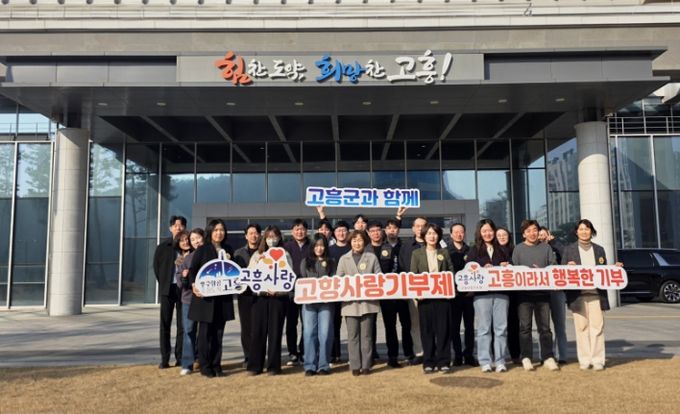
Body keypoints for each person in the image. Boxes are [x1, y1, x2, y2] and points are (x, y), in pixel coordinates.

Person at [562, 219, 621, 371]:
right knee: (581, 328)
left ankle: (598, 359)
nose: (584, 232)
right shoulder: (569, 250)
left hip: (596, 295)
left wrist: (614, 269)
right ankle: (584, 359)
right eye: (581, 229)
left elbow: (604, 271)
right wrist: (568, 268)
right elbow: (562, 273)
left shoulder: (599, 250)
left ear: (591, 231)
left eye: (587, 229)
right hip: (578, 296)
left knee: (597, 327)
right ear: (576, 232)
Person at [188, 219, 235, 378]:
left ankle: (216, 365)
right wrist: (194, 285)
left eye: (221, 230)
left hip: (222, 299)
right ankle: (205, 365)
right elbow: (193, 270)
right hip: (206, 300)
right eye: (215, 230)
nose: (219, 233)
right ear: (210, 232)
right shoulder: (203, 249)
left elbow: (234, 272)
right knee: (205, 334)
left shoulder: (228, 249)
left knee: (218, 334)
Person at [512, 219, 560, 372]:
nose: (532, 233)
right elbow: (514, 270)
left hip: (543, 294)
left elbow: (554, 266)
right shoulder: (518, 249)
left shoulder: (546, 248)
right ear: (523, 234)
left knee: (545, 328)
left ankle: (548, 357)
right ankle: (526, 357)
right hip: (524, 295)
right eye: (528, 231)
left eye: (534, 230)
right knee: (525, 328)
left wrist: (542, 271)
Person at [247, 225, 294, 376]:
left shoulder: (285, 254)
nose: (271, 240)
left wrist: (279, 290)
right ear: (264, 238)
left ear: (279, 238)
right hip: (260, 298)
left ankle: (274, 366)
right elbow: (250, 275)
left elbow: (289, 277)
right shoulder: (257, 254)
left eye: (274, 237)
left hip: (278, 299)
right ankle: (255, 366)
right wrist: (258, 263)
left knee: (275, 332)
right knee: (257, 332)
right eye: (268, 237)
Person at [466, 219, 511, 373]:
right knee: (484, 328)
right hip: (482, 294)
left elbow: (511, 266)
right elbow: (469, 269)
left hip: (501, 293)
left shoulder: (502, 249)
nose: (487, 233)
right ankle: (485, 361)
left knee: (501, 328)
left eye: (490, 230)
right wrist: (480, 268)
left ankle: (500, 361)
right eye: (484, 231)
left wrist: (506, 265)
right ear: (479, 232)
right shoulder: (474, 250)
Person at [336, 230, 382, 376]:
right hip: (350, 304)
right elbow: (338, 279)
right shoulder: (344, 259)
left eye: (360, 240)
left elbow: (379, 277)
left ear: (365, 242)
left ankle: (367, 365)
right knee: (352, 336)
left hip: (368, 303)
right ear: (350, 242)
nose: (357, 243)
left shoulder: (372, 257)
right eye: (354, 240)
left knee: (367, 336)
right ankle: (355, 365)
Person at [410, 223, 454, 374]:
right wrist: (417, 295)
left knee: (443, 330)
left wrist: (449, 288)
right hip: (425, 299)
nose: (432, 236)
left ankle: (444, 361)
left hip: (442, 297)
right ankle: (428, 362)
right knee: (427, 331)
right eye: (429, 233)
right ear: (423, 236)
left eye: (434, 233)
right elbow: (413, 275)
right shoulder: (417, 253)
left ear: (439, 236)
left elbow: (451, 272)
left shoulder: (444, 252)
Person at [153, 215, 186, 369]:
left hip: (183, 289)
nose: (178, 228)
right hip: (167, 289)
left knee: (182, 325)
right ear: (170, 228)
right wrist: (164, 282)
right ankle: (164, 358)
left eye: (181, 225)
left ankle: (180, 357)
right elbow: (157, 267)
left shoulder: (186, 246)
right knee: (165, 324)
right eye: (175, 225)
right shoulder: (163, 246)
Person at [300, 234, 337, 376]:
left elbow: (335, 280)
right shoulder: (305, 262)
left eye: (321, 245)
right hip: (309, 304)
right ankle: (309, 365)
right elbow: (302, 280)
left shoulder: (331, 262)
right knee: (309, 333)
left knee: (325, 333)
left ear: (325, 247)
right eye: (316, 245)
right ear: (312, 247)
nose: (319, 248)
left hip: (326, 304)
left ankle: (323, 365)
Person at [446, 222, 476, 367]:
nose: (459, 234)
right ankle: (457, 355)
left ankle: (469, 354)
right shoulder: (445, 251)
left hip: (469, 295)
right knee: (454, 327)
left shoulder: (471, 251)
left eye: (461, 232)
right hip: (453, 295)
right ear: (451, 234)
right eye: (456, 232)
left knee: (469, 327)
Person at [399, 216, 428, 365]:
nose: (420, 229)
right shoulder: (406, 246)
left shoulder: (435, 243)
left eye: (423, 226)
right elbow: (402, 267)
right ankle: (420, 352)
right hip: (413, 290)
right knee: (415, 323)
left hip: (433, 290)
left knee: (432, 322)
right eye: (417, 226)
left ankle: (432, 350)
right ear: (412, 228)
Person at [282, 218, 310, 366]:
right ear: (292, 231)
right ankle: (292, 352)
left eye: (302, 229)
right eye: (297, 229)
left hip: (308, 290)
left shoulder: (312, 245)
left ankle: (304, 350)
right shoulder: (286, 247)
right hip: (291, 291)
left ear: (306, 231)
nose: (300, 232)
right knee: (291, 323)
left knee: (307, 323)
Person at [233, 223, 261, 368]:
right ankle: (248, 357)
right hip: (245, 295)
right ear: (246, 236)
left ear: (260, 235)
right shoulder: (238, 253)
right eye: (250, 233)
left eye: (256, 233)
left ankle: (258, 356)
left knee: (259, 327)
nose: (253, 236)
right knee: (246, 327)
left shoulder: (265, 252)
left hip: (261, 295)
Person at [539, 226, 567, 364]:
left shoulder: (555, 247)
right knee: (543, 327)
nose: (542, 237)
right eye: (539, 235)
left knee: (560, 325)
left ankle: (562, 355)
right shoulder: (535, 249)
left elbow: (566, 255)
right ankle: (545, 355)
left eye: (544, 234)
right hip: (541, 291)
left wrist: (554, 243)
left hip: (557, 290)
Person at [177, 228, 203, 376]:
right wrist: (184, 276)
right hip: (188, 300)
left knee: (204, 332)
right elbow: (179, 283)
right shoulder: (187, 259)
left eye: (198, 238)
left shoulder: (210, 255)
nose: (196, 241)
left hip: (206, 299)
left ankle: (202, 360)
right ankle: (187, 363)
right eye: (193, 240)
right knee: (189, 330)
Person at [328, 220, 351, 363]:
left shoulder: (353, 248)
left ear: (348, 232)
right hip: (334, 292)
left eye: (343, 230)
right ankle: (334, 354)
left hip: (350, 292)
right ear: (334, 233)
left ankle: (353, 355)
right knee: (334, 324)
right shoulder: (329, 250)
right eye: (338, 231)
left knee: (352, 325)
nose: (341, 233)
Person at [496, 226, 520, 364]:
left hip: (513, 294)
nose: (502, 237)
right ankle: (499, 355)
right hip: (498, 293)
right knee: (498, 326)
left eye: (504, 234)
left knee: (513, 324)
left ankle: (515, 354)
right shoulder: (492, 251)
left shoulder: (515, 250)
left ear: (509, 236)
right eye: (499, 235)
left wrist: (510, 265)